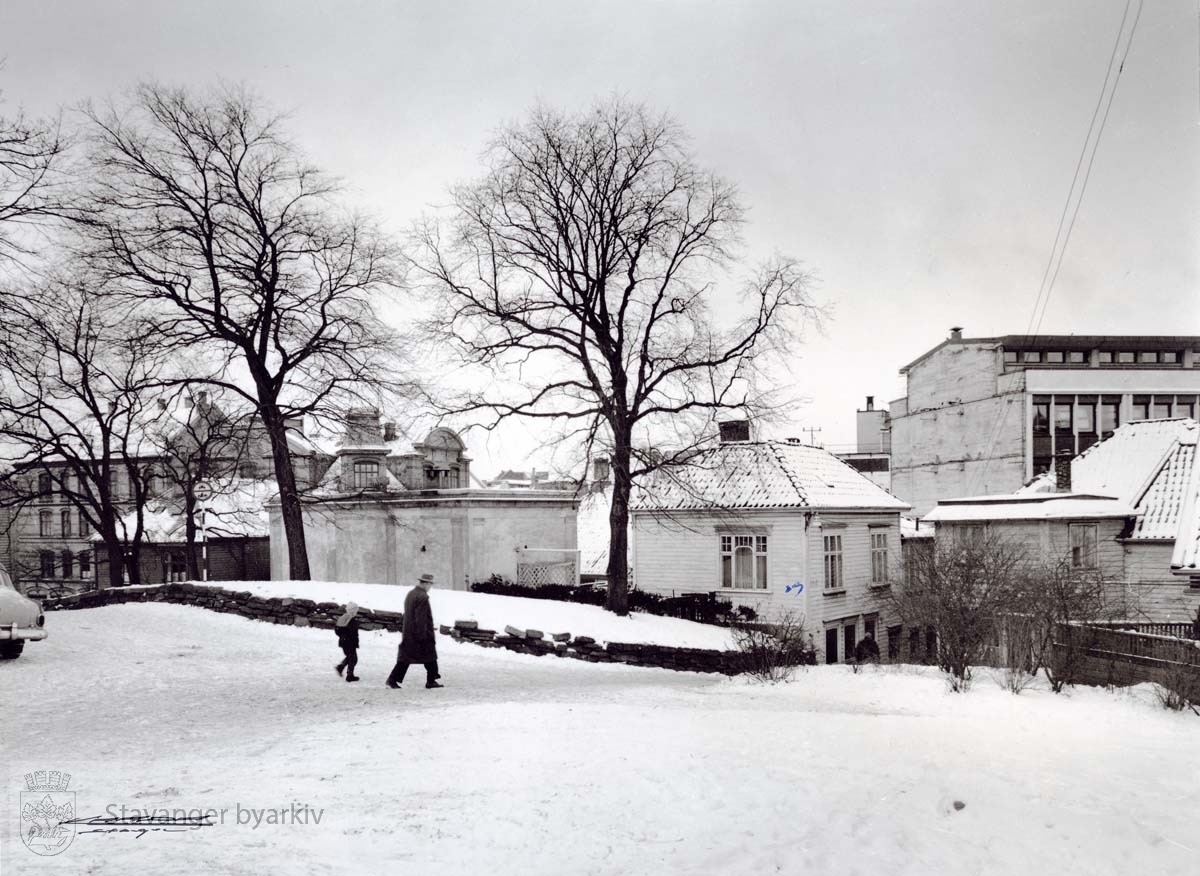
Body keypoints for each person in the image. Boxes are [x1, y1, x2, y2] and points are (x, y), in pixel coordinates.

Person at [386, 573, 442, 689]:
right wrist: (422, 635)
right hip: (420, 633)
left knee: (408, 657)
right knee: (429, 655)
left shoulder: (411, 594)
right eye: (430, 584)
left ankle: (394, 679)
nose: (430, 587)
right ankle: (430, 680)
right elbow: (421, 618)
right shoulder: (422, 597)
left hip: (409, 632)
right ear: (425, 584)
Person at [334, 602, 361, 682]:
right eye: (356, 610)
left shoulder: (342, 618)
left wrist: (342, 637)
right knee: (353, 658)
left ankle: (341, 667)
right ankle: (349, 675)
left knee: (350, 657)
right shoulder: (352, 620)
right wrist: (354, 642)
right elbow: (354, 633)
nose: (356, 612)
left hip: (344, 642)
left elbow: (337, 630)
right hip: (350, 643)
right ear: (353, 611)